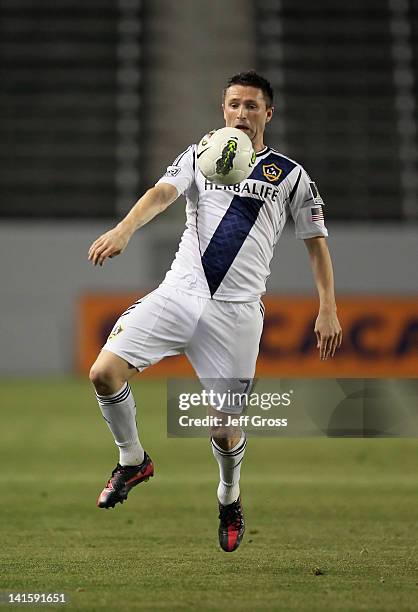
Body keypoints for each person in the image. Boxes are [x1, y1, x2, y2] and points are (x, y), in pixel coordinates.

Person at [88, 70, 342, 553]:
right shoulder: (202, 153)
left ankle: (229, 497)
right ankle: (132, 459)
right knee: (103, 371)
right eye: (233, 105)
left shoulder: (291, 176)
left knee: (225, 430)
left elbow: (315, 245)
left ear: (269, 113)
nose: (241, 114)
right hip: (178, 295)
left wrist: (327, 307)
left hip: (237, 316)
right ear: (222, 109)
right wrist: (124, 230)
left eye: (251, 106)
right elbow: (162, 193)